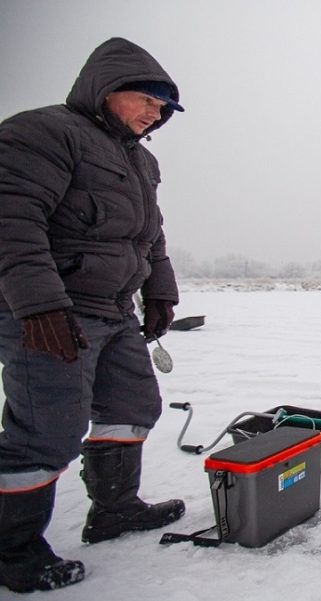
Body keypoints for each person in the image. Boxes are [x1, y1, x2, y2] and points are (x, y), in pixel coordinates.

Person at [0, 38, 187, 593]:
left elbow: (150, 237)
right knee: (47, 431)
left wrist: (159, 291)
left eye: (165, 109)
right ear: (108, 89)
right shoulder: (43, 133)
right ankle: (14, 552)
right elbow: (11, 220)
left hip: (113, 310)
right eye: (148, 101)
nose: (156, 115)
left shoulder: (140, 160)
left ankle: (116, 509)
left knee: (133, 406)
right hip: (52, 312)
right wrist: (38, 304)